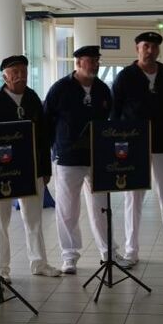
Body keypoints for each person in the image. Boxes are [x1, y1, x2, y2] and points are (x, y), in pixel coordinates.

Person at [44, 45, 125, 274]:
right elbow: (47, 122)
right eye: (91, 60)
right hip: (68, 157)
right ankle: (69, 256)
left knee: (102, 207)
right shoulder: (60, 89)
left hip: (97, 157)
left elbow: (109, 121)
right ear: (78, 62)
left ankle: (109, 251)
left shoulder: (102, 90)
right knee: (68, 209)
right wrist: (52, 152)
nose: (96, 64)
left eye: (97, 60)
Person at [112, 31, 163, 265]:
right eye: (146, 46)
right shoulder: (125, 76)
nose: (150, 50)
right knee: (133, 197)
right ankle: (131, 250)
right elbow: (115, 111)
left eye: (154, 46)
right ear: (137, 48)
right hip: (133, 143)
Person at [0, 55, 60, 280]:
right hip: (2, 170)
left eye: (24, 71)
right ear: (4, 76)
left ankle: (39, 263)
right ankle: (2, 268)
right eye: (15, 72)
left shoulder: (32, 97)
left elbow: (44, 135)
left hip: (31, 167)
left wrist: (45, 169)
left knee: (34, 218)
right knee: (0, 219)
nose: (20, 76)